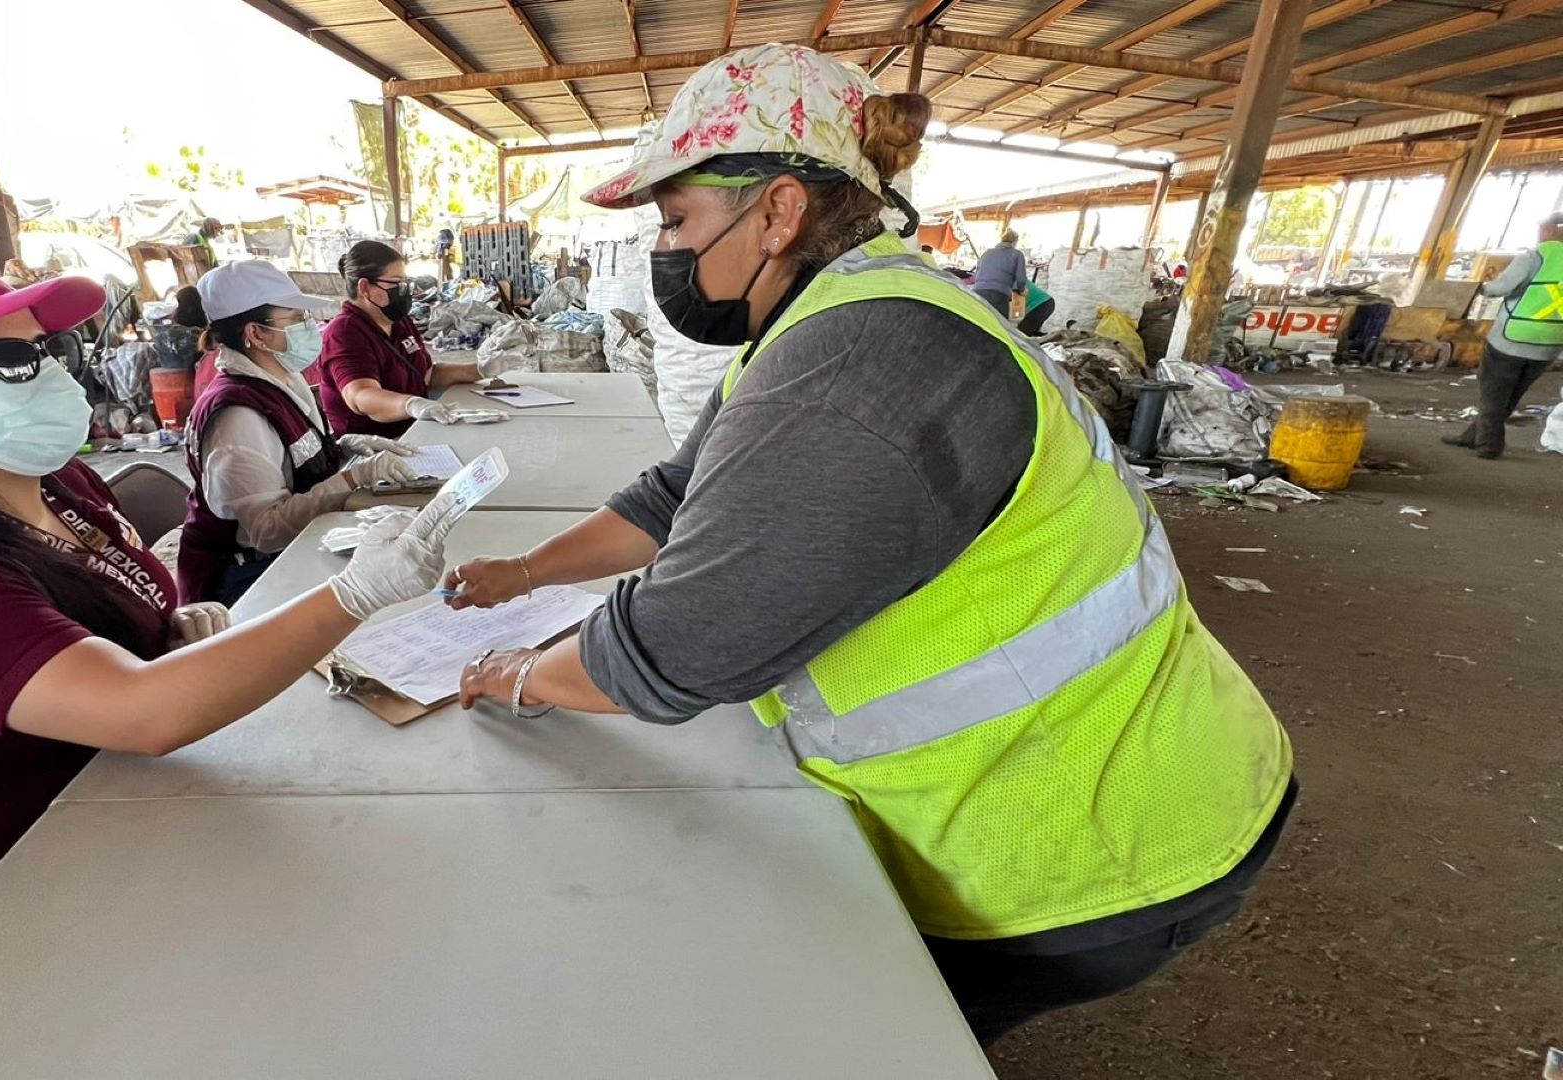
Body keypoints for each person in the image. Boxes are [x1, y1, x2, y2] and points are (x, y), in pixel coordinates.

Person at [448, 43, 1293, 1046]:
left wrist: (521, 678)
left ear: (776, 212)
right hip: (1137, 765)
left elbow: (679, 646)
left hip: (1082, 840)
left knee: (854, 1033)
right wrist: (528, 572)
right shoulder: (850, 309)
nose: (663, 250)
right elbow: (677, 496)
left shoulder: (855, 371)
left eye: (676, 220)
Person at [0, 252, 447, 886]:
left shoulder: (52, 480)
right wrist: (358, 590)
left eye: (44, 350)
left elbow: (101, 615)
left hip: (157, 785)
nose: (44, 375)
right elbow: (143, 713)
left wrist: (160, 630)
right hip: (71, 860)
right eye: (7, 359)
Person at [178, 261, 418, 605]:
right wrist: (352, 480)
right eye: (295, 320)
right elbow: (265, 531)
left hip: (292, 549)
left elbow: (294, 453)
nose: (310, 328)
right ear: (256, 333)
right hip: (245, 581)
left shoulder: (281, 378)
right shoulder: (237, 417)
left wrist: (346, 448)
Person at [313, 239, 484, 437]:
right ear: (365, 288)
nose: (404, 292)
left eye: (405, 283)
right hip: (374, 447)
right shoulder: (344, 332)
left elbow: (427, 375)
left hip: (415, 430)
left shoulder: (398, 321)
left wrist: (482, 368)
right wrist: (410, 404)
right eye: (396, 284)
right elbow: (361, 396)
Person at [1445, 212, 1563, 459]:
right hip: (1550, 343)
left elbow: (1501, 287)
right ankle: (1472, 436)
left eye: (1542, 227)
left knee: (1493, 394)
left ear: (1552, 230)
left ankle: (1489, 445)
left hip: (1512, 339)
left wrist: (1482, 289)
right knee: (1510, 394)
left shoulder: (1536, 256)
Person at [972, 228, 1028, 319]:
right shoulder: (1017, 254)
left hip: (978, 291)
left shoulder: (987, 252)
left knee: (979, 321)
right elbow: (1021, 279)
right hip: (998, 294)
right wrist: (1022, 291)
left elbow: (977, 273)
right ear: (1015, 241)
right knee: (999, 324)